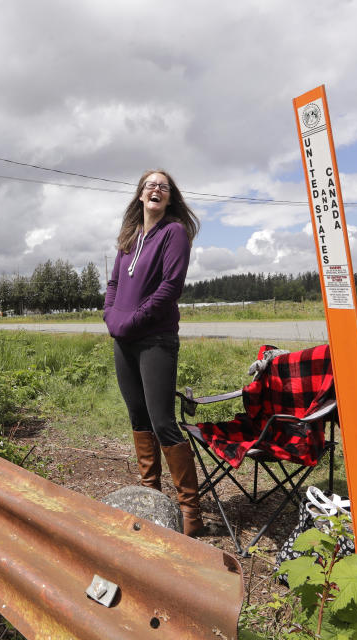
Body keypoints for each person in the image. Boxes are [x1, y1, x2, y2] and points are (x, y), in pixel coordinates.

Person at [103, 170, 204, 536]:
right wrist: (110, 315)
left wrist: (132, 321)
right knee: (138, 418)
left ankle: (190, 513)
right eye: (150, 185)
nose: (156, 189)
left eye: (163, 186)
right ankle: (151, 499)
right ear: (140, 195)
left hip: (156, 340)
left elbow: (170, 287)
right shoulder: (130, 237)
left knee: (162, 421)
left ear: (170, 196)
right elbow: (114, 283)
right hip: (124, 340)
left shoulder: (174, 233)